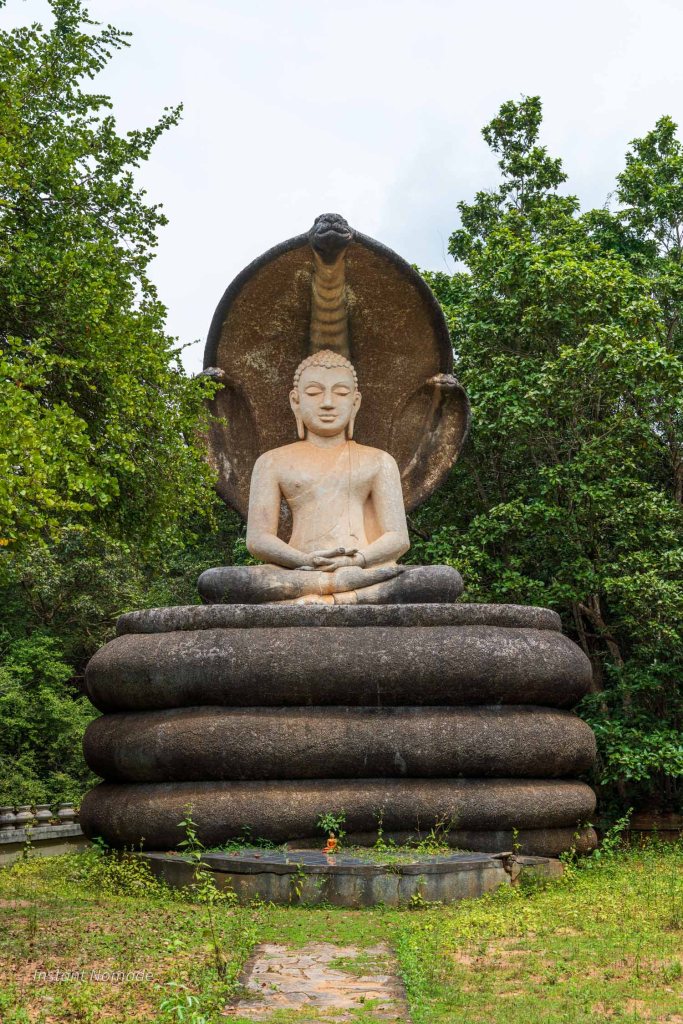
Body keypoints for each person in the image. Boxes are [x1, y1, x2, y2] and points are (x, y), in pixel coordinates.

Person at [198, 350, 462, 605]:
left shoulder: (379, 461)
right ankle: (347, 596)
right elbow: (258, 539)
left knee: (442, 579)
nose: (327, 402)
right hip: (299, 570)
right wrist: (305, 560)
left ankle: (333, 597)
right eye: (313, 392)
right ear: (295, 401)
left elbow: (397, 538)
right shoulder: (271, 462)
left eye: (341, 393)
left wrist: (355, 560)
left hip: (360, 569)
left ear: (355, 402)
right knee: (215, 582)